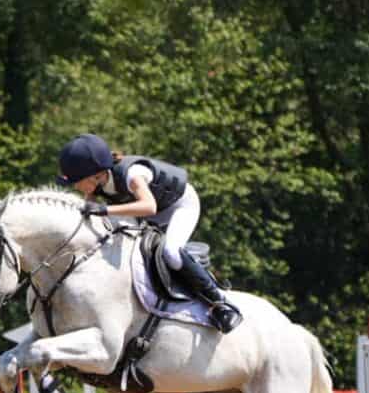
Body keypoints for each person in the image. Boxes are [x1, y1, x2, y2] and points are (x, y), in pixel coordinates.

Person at [55, 133, 243, 334]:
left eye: (76, 181)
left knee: (170, 252)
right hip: (148, 213)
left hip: (179, 205)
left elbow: (149, 206)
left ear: (96, 174)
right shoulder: (97, 183)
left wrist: (105, 211)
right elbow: (89, 209)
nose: (75, 186)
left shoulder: (132, 174)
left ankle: (220, 303)